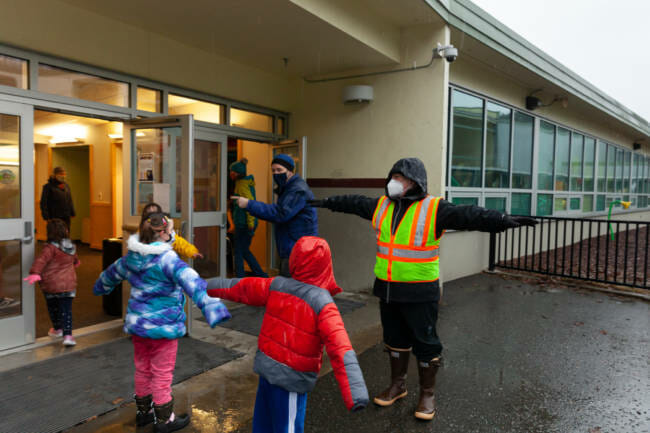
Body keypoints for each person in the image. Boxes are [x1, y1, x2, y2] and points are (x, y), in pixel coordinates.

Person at [309, 157, 537, 421]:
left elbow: (468, 215)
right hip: (388, 289)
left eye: (401, 178)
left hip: (419, 291)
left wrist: (501, 219)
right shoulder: (381, 205)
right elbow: (353, 202)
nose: (395, 183)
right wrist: (326, 202)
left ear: (415, 182)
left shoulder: (434, 208)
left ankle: (427, 394)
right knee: (394, 340)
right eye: (393, 177)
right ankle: (398, 385)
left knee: (426, 343)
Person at [206, 236, 369, 433]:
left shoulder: (277, 285)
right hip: (291, 380)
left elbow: (241, 288)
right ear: (325, 265)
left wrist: (206, 285)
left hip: (267, 370)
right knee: (287, 428)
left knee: (263, 424)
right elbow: (340, 346)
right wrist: (355, 393)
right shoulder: (322, 302)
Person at [93, 213, 231, 433]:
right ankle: (165, 420)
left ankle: (144, 413)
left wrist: (100, 287)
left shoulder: (131, 257)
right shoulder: (168, 260)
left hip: (139, 327)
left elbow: (110, 275)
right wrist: (212, 306)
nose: (173, 234)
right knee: (162, 374)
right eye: (171, 231)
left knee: (142, 369)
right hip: (163, 329)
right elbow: (192, 281)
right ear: (162, 234)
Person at [231, 154, 317, 277]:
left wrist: (249, 204)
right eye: (273, 170)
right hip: (291, 247)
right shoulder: (288, 188)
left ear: (290, 171)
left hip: (298, 250)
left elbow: (280, 213)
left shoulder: (298, 190)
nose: (276, 174)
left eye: (280, 170)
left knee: (290, 290)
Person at [24, 219, 80, 346]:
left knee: (53, 307)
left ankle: (57, 329)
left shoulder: (49, 248)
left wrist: (35, 273)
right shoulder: (70, 245)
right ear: (66, 231)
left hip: (51, 285)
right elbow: (75, 258)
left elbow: (41, 261)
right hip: (68, 285)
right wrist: (76, 262)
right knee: (67, 310)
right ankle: (68, 336)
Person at [229, 158, 268, 278]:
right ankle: (261, 275)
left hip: (245, 224)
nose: (230, 174)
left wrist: (250, 224)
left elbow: (249, 204)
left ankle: (240, 279)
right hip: (243, 223)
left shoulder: (243, 185)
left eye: (232, 172)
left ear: (238, 173)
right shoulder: (241, 183)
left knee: (239, 252)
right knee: (244, 250)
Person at [40, 166, 75, 231]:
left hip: (66, 216)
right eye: (61, 174)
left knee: (66, 234)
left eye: (64, 174)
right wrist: (46, 216)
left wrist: (72, 212)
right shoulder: (48, 187)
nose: (63, 176)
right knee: (55, 234)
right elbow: (43, 203)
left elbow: (69, 200)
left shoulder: (66, 186)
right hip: (54, 217)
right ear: (55, 175)